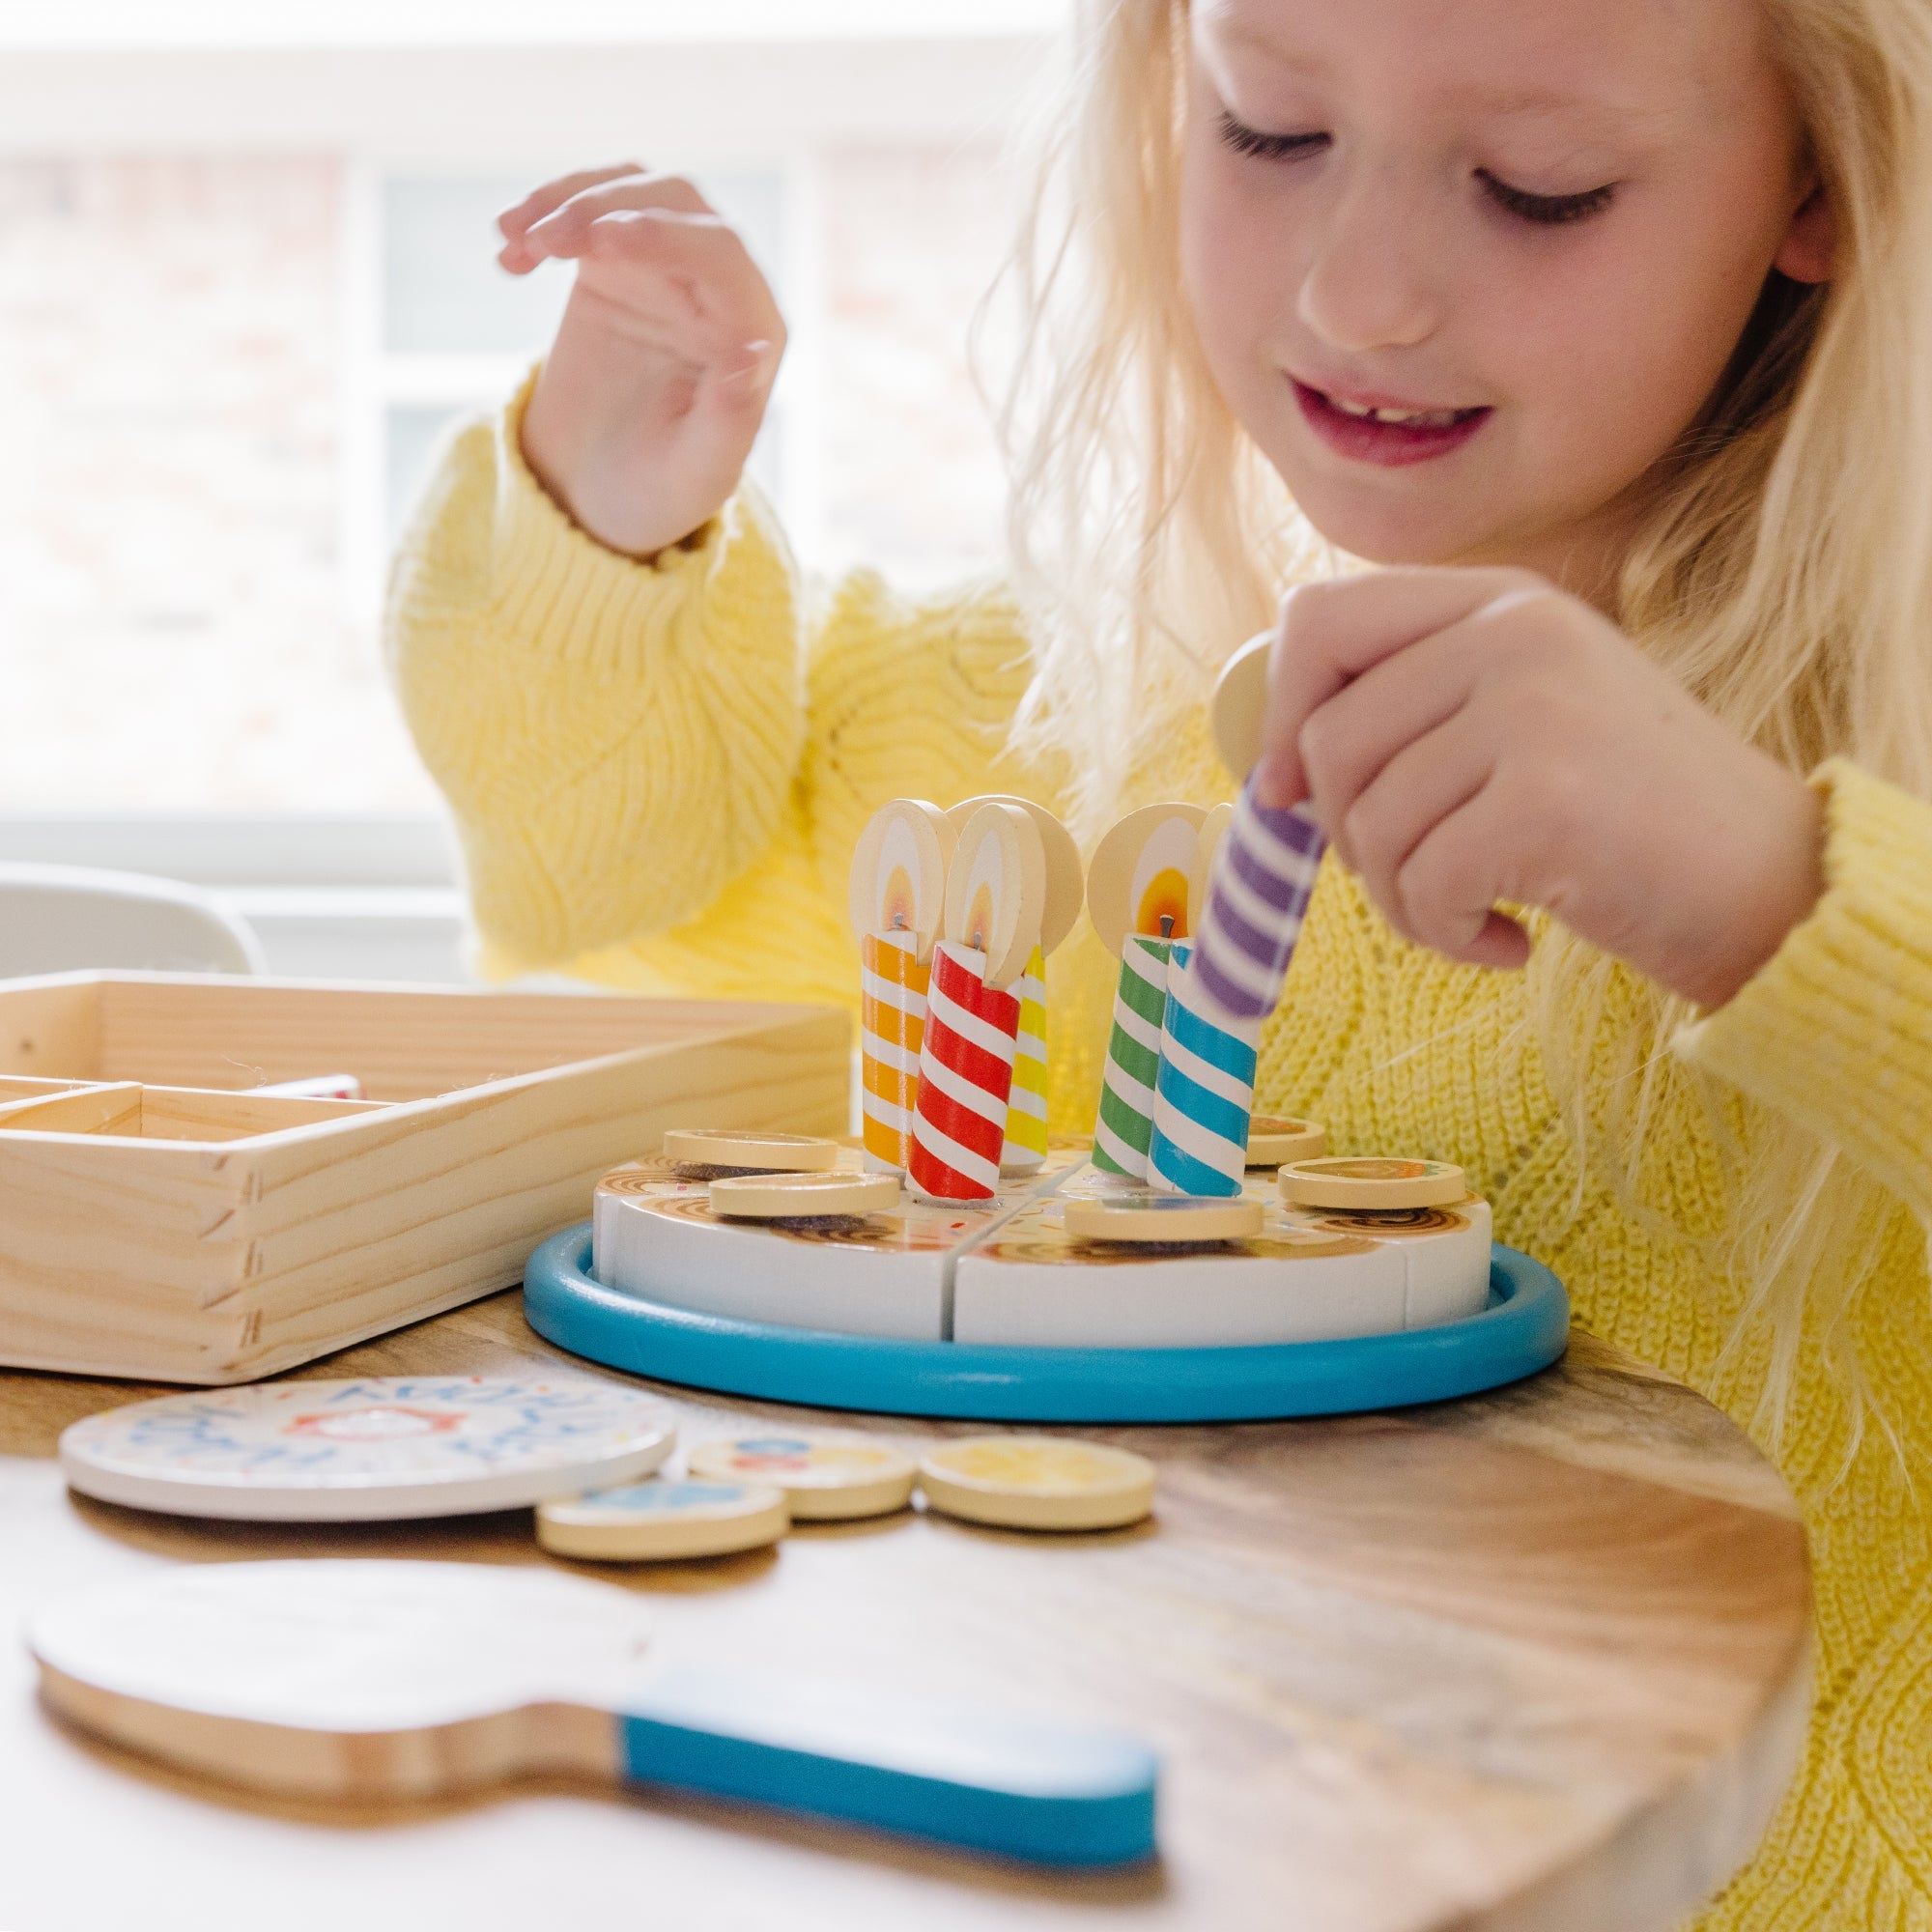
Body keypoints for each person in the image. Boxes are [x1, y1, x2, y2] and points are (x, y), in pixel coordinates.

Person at [386, 0, 1932, 1920]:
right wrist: (611, 525)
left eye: (1542, 189)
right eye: (1269, 132)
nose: (1359, 295)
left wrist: (1779, 900)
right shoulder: (1063, 705)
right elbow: (622, 896)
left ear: (1820, 176)